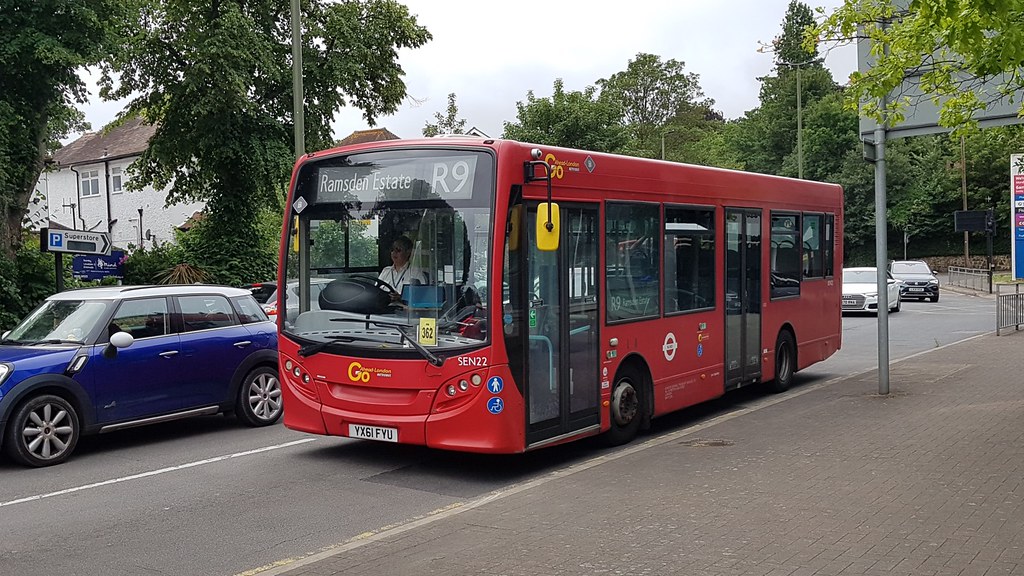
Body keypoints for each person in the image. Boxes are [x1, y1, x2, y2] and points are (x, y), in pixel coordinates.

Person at [379, 236, 427, 301]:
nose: (394, 253)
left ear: (408, 252)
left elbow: (422, 297)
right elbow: (376, 291)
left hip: (404, 309)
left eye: (398, 250)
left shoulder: (416, 273)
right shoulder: (386, 271)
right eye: (392, 250)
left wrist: (401, 297)